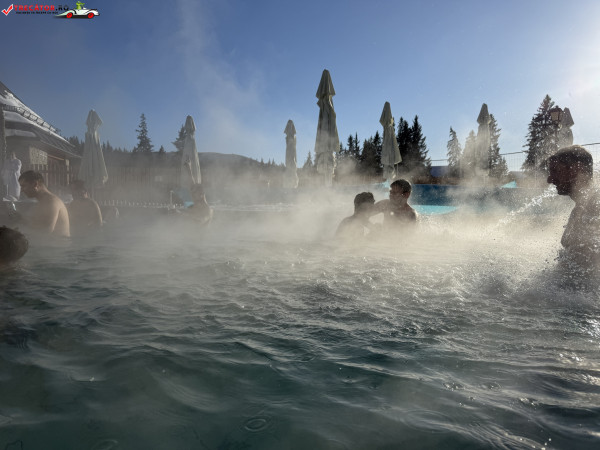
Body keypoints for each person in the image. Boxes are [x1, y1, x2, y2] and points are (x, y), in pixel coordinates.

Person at [547, 145, 600, 268]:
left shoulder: (595, 207)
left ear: (576, 169)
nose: (550, 179)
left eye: (555, 171)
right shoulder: (582, 208)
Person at [18, 170, 70, 237]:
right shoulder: (43, 202)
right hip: (52, 242)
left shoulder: (51, 202)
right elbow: (38, 225)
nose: (21, 190)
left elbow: (46, 231)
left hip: (57, 243)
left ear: (35, 184)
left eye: (23, 186)